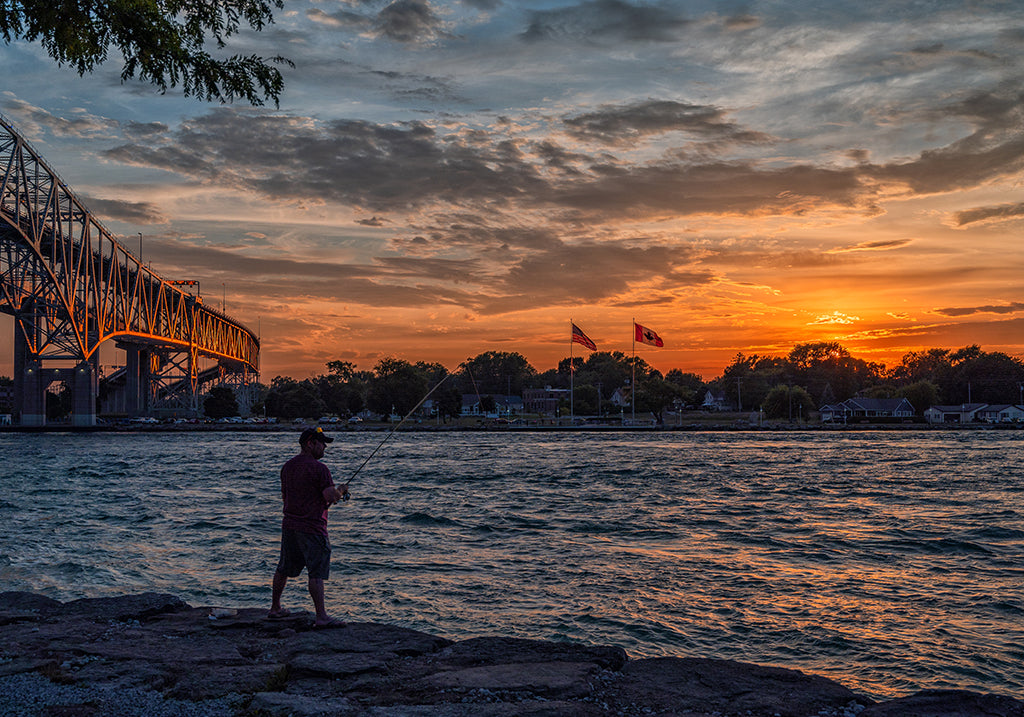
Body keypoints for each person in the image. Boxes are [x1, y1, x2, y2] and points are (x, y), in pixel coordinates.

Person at [269, 426, 348, 627]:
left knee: (283, 568)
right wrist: (340, 490)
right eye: (321, 444)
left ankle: (275, 608)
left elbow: (285, 496)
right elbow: (330, 497)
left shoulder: (287, 467)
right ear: (310, 443)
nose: (324, 448)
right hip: (313, 527)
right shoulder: (320, 469)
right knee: (316, 571)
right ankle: (321, 616)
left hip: (290, 525)